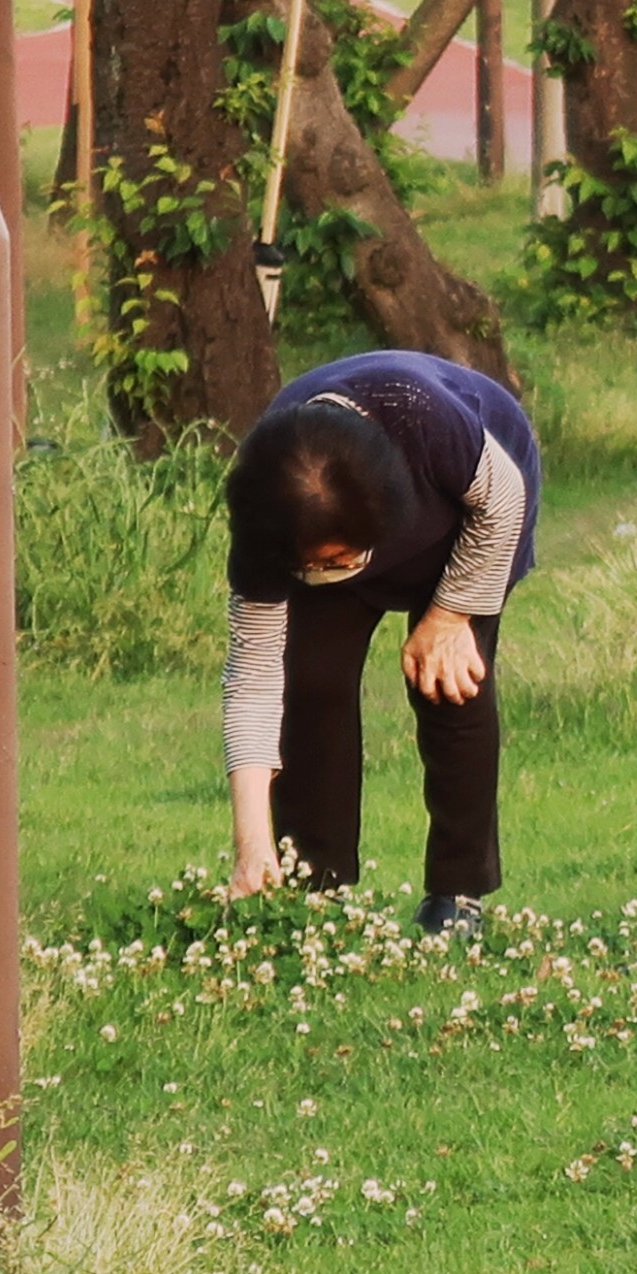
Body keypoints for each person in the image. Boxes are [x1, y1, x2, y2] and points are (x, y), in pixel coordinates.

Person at [220, 351, 541, 934]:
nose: (334, 571)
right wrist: (252, 844)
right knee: (309, 684)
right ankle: (309, 884)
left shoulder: (427, 422)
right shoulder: (268, 519)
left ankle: (457, 892)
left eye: (343, 561)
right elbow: (254, 683)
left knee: (449, 684)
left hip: (474, 515)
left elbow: (502, 500)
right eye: (320, 566)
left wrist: (449, 617)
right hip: (322, 524)